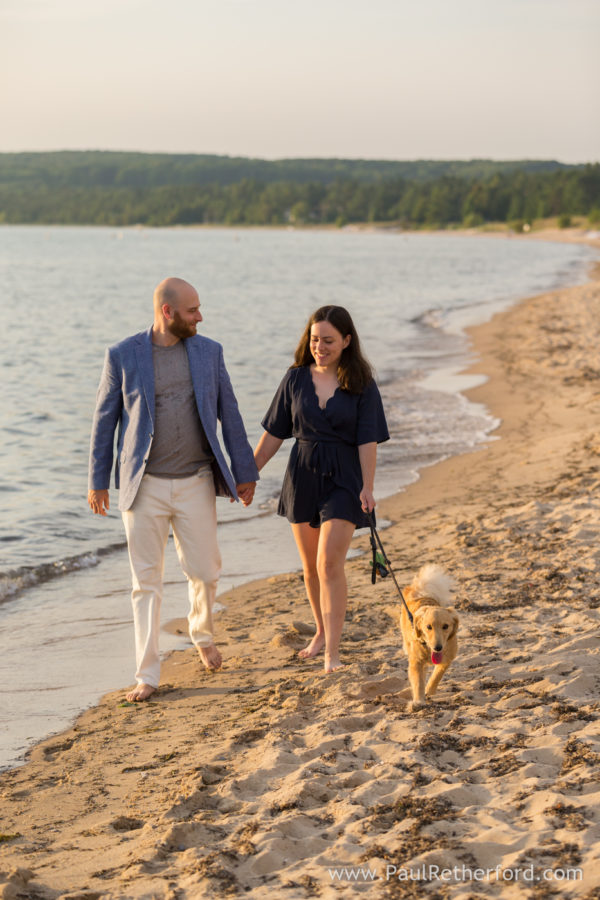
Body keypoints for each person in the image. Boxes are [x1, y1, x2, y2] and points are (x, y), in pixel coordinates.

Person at [88, 277, 258, 701]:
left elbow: (229, 412)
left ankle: (201, 631)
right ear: (168, 312)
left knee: (204, 569)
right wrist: (97, 481)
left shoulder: (209, 352)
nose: (200, 316)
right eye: (192, 310)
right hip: (142, 487)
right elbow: (104, 420)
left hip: (196, 481)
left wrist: (245, 470)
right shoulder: (123, 355)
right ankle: (147, 673)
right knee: (146, 582)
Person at [254, 305, 389, 673]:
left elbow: (368, 441)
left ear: (347, 341)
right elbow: (274, 435)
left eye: (328, 341)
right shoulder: (295, 379)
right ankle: (320, 632)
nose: (320, 347)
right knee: (311, 567)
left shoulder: (362, 383)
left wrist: (368, 486)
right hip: (302, 474)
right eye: (314, 340)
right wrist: (248, 474)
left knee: (329, 562)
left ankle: (332, 652)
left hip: (345, 478)